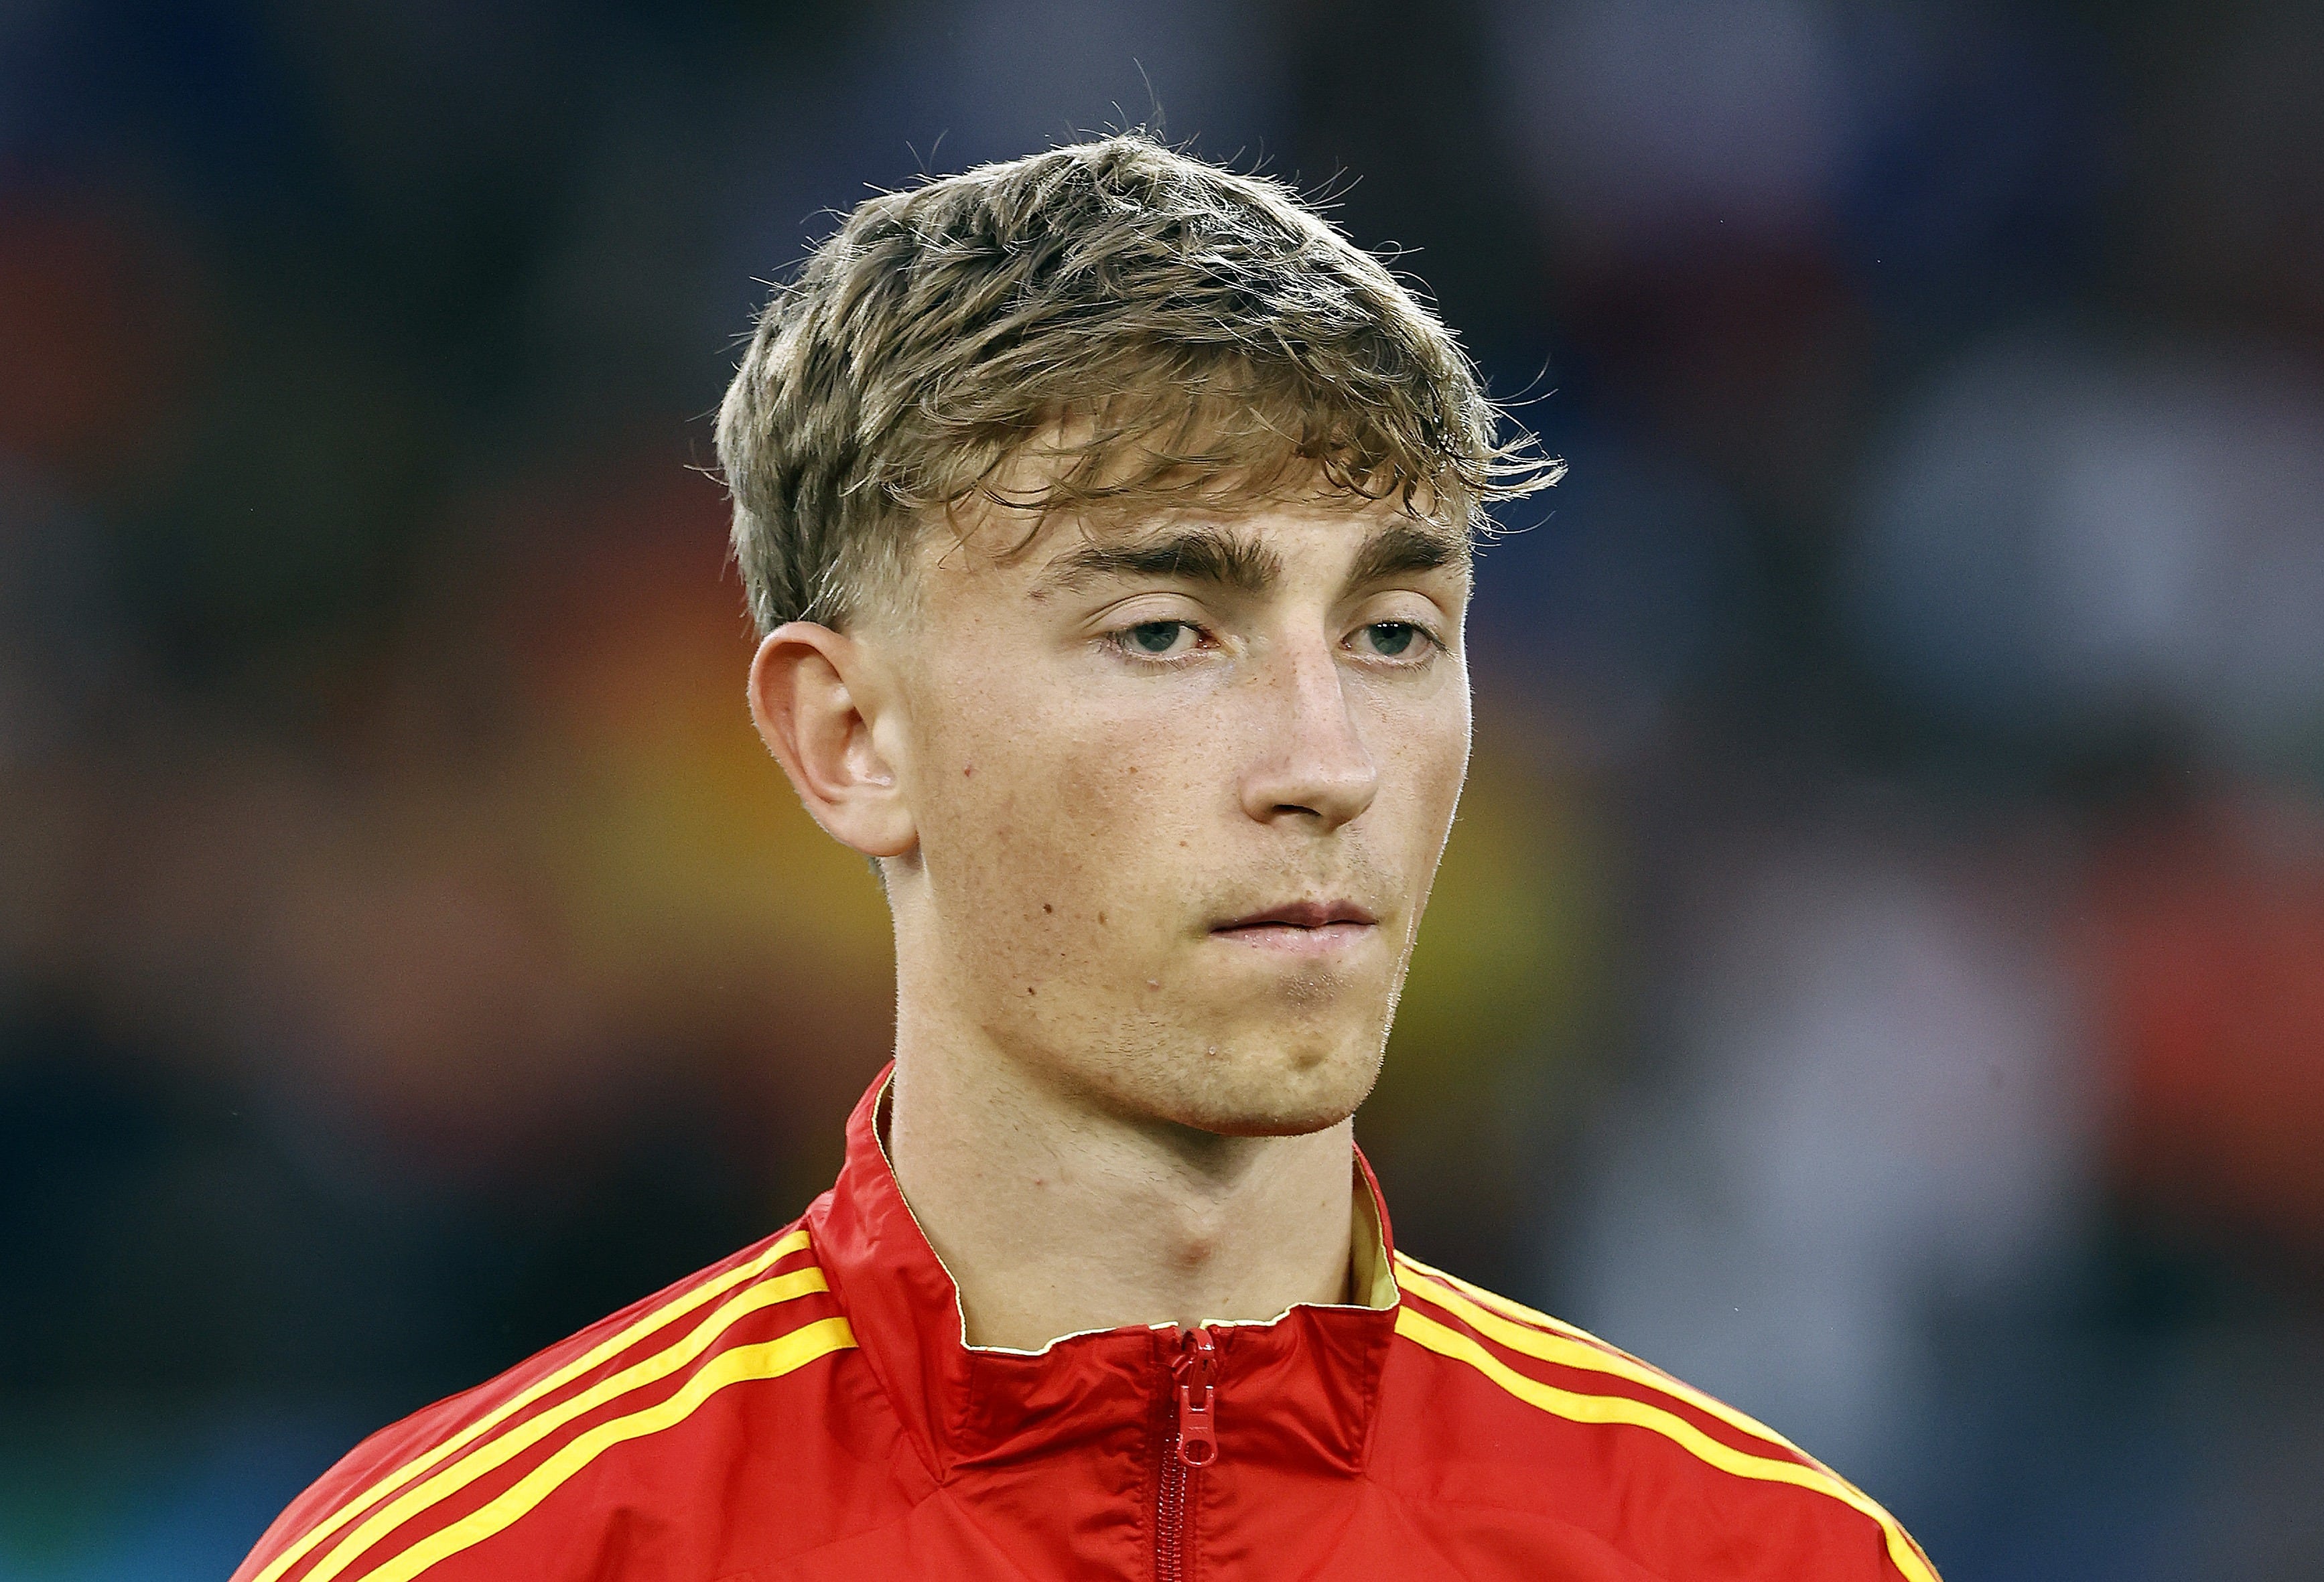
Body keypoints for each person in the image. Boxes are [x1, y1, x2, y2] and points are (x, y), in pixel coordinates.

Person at [233, 135, 1935, 1582]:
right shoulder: (476, 1556)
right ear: (848, 736)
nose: (1326, 761)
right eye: (1163, 629)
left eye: (1394, 631)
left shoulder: (1766, 1557)